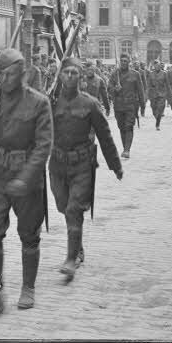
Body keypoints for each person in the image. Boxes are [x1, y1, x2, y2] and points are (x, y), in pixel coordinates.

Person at [0, 48, 53, 319]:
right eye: (1, 74)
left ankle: (28, 287)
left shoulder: (39, 103)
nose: (5, 79)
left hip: (27, 179)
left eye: (11, 74)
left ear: (23, 74)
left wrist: (26, 179)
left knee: (29, 235)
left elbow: (43, 147)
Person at [48, 57, 124, 282]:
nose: (70, 76)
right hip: (57, 164)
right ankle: (78, 246)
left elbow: (105, 136)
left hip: (82, 165)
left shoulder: (90, 104)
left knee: (74, 210)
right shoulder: (50, 103)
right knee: (63, 207)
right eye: (66, 72)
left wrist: (115, 165)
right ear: (60, 76)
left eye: (74, 73)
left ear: (80, 76)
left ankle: (71, 259)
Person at [109, 54, 146, 159]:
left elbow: (140, 90)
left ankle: (127, 150)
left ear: (129, 62)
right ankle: (125, 147)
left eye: (125, 61)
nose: (123, 63)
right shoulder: (115, 74)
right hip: (118, 106)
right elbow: (109, 88)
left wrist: (142, 105)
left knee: (129, 126)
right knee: (121, 128)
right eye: (122, 61)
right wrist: (115, 89)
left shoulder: (135, 74)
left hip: (131, 105)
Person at [146, 61, 169, 130]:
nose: (157, 67)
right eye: (156, 65)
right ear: (154, 66)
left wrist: (168, 94)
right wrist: (147, 94)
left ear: (160, 66)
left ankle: (157, 124)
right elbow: (148, 85)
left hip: (162, 94)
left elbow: (167, 84)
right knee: (154, 110)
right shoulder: (151, 74)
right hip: (153, 94)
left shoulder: (164, 73)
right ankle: (157, 118)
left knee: (160, 109)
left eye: (158, 65)